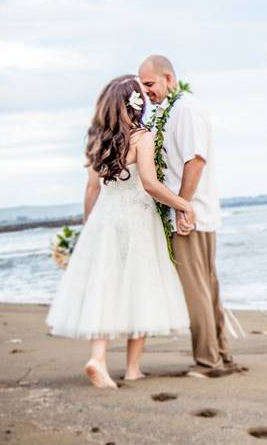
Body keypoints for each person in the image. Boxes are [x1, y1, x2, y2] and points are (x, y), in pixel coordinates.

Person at [46, 75, 192, 389]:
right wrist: (183, 204)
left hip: (105, 218)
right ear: (134, 102)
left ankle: (98, 358)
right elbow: (152, 186)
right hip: (137, 217)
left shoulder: (96, 139)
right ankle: (132, 369)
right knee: (140, 286)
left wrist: (89, 227)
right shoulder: (142, 136)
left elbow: (91, 187)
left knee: (105, 286)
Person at [138, 55, 233, 377]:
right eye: (142, 86)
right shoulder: (171, 110)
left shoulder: (186, 108)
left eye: (149, 84)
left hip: (191, 215)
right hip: (194, 212)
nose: (146, 91)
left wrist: (182, 206)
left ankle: (208, 362)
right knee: (206, 288)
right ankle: (220, 354)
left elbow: (195, 161)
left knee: (197, 290)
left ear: (169, 78)